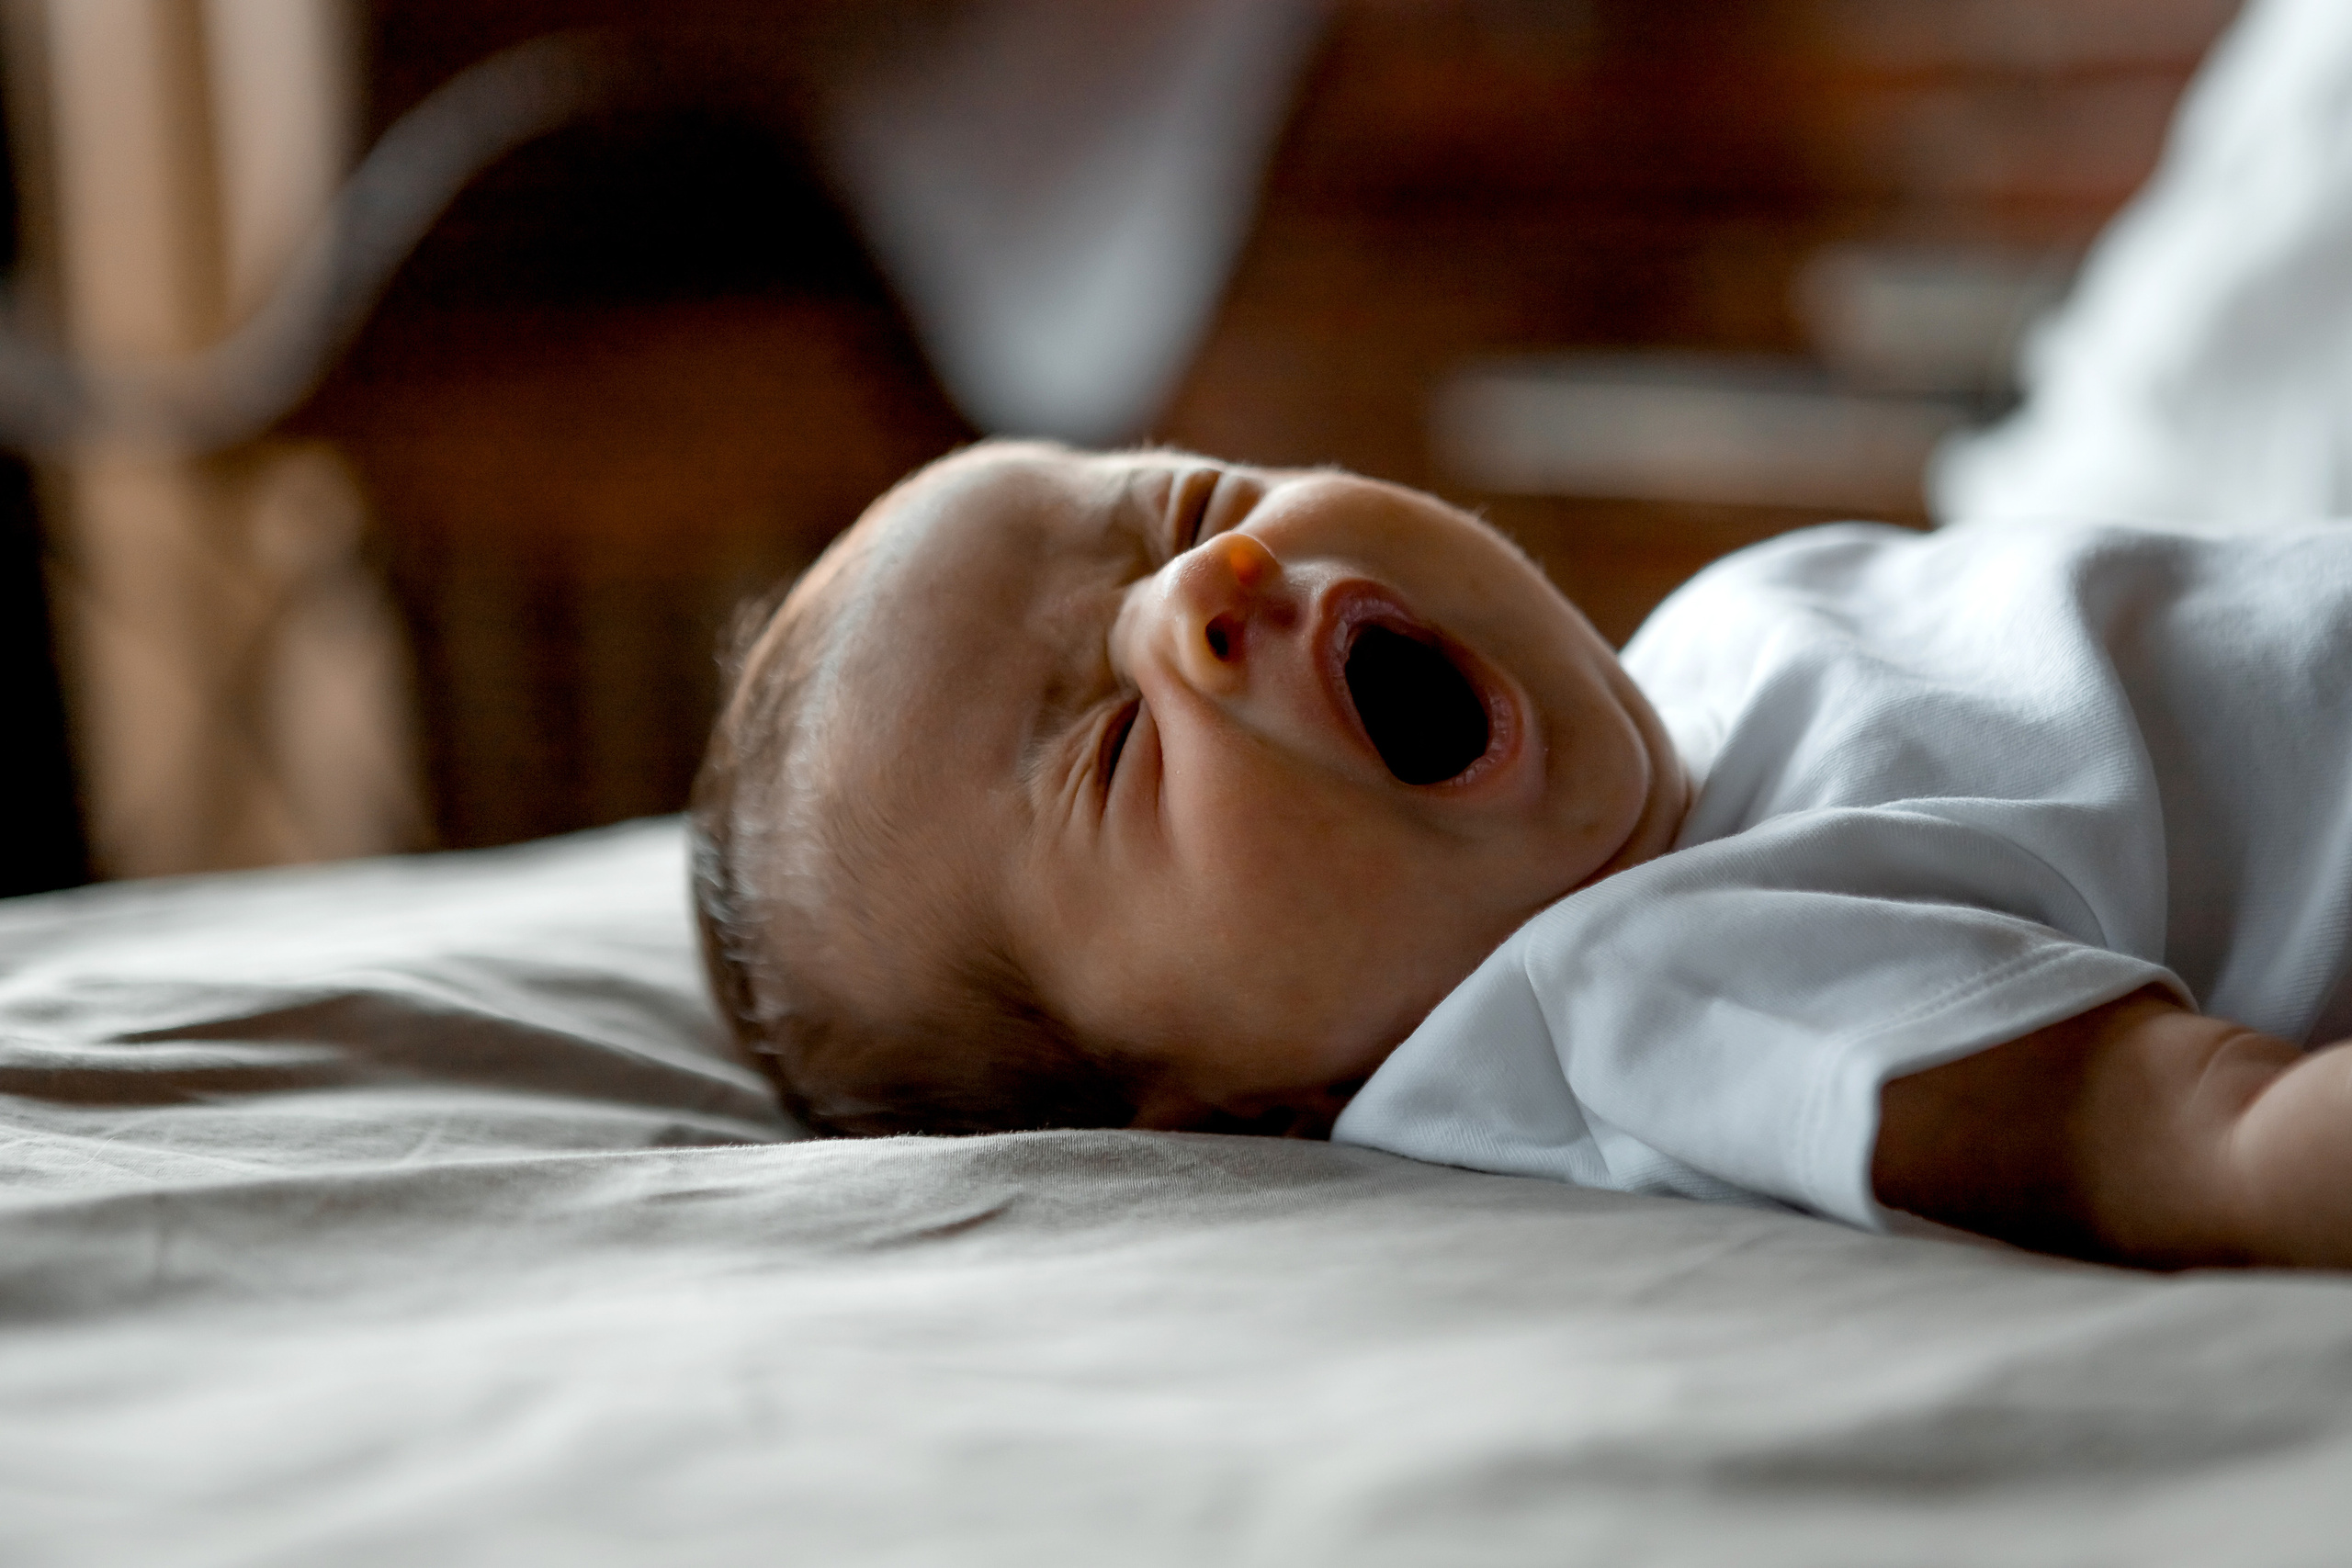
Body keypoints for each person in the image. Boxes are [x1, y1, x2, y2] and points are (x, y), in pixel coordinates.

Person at [691, 439, 2352, 1269]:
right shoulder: (1662, 989)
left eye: (1195, 505)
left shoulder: (1709, 661)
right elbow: (2226, 1142)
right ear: (1234, 1105)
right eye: (1112, 751)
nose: (1203, 593)